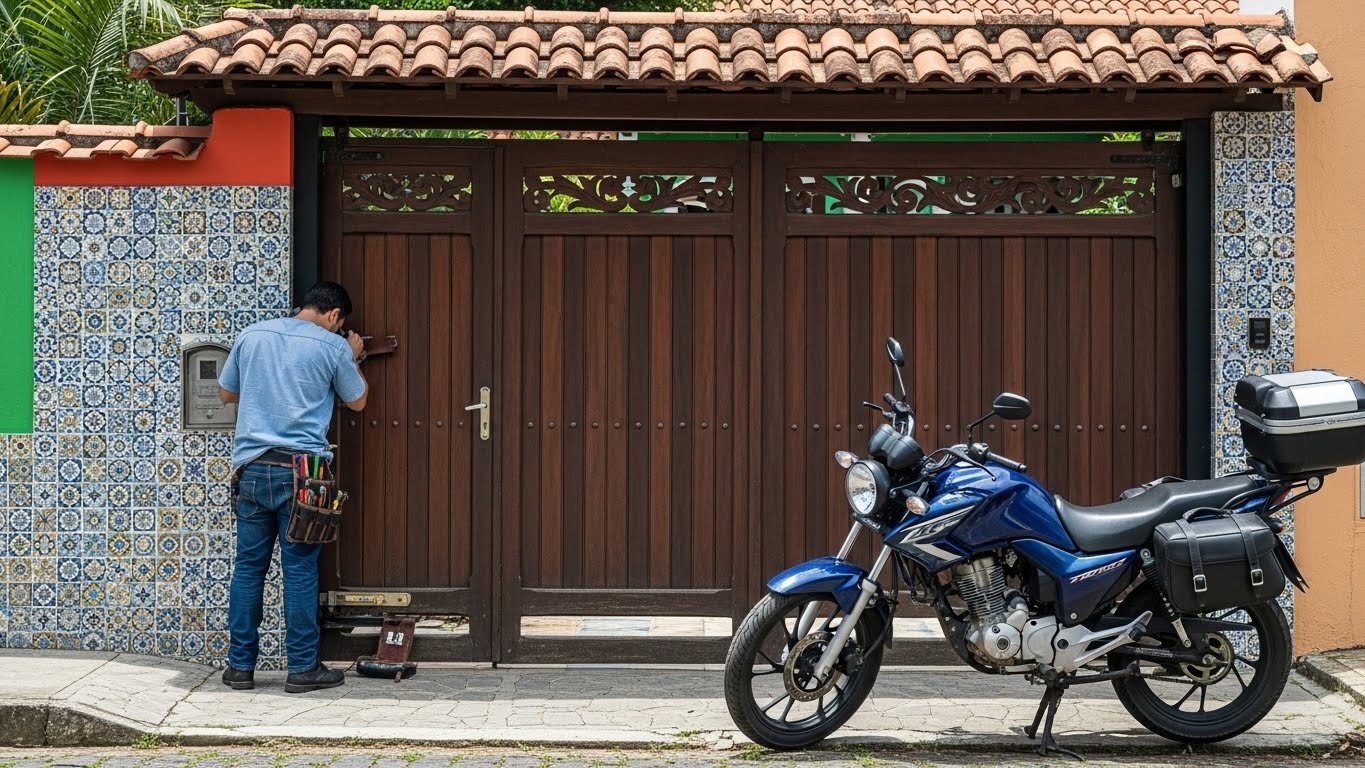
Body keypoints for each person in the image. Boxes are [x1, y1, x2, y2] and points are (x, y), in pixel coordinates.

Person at [217, 281, 369, 693]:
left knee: (249, 569)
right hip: (305, 472)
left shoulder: (251, 335)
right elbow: (357, 401)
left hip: (251, 467)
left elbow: (227, 392)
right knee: (299, 569)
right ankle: (303, 668)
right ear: (335, 316)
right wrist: (352, 357)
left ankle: (239, 668)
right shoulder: (333, 346)